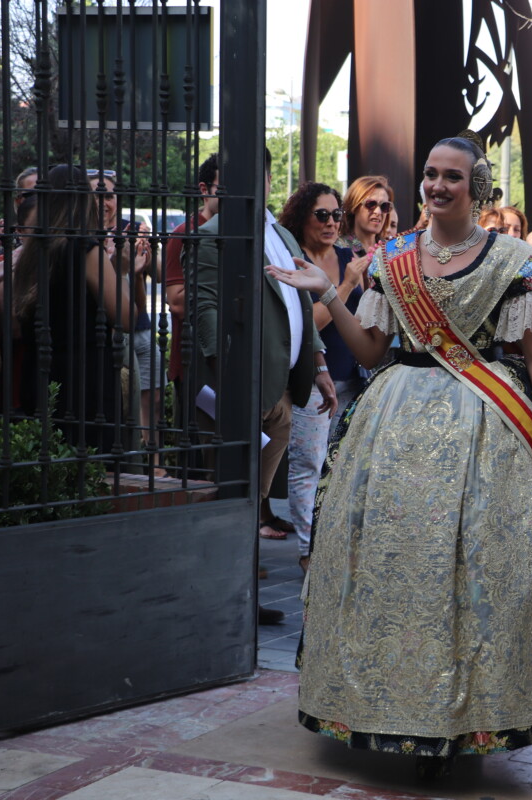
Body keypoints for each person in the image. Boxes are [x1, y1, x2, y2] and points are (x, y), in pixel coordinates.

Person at [268, 132, 532, 775]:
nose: (437, 185)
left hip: (490, 425)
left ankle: (472, 718)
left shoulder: (512, 260)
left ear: (475, 186)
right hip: (395, 427)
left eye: (452, 175)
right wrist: (330, 291)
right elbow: (370, 352)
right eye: (430, 174)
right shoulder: (392, 259)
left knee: (479, 569)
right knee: (394, 571)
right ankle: (392, 708)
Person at [194, 148, 337, 624]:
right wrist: (229, 377)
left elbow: (301, 301)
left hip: (284, 388)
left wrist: (317, 362)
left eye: (263, 173)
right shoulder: (213, 235)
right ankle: (218, 599)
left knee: (253, 499)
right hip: (243, 388)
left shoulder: (278, 233)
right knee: (233, 493)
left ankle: (240, 599)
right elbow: (207, 309)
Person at [13, 165, 139, 455]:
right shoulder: (84, 248)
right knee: (91, 468)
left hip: (40, 370)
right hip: (85, 374)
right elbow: (126, 317)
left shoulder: (34, 249)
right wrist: (119, 272)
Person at [277, 181, 368, 568]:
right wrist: (343, 286)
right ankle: (307, 552)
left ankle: (338, 547)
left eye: (337, 215)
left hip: (354, 377)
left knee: (346, 467)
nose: (331, 223)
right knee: (309, 465)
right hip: (312, 376)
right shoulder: (292, 259)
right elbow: (308, 321)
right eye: (322, 215)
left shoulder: (351, 255)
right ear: (302, 217)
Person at [88, 168, 161, 450]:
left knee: (152, 397)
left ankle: (153, 460)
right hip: (105, 330)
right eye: (96, 195)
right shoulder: (83, 235)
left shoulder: (131, 229)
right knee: (119, 401)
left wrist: (149, 248)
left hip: (140, 327)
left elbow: (160, 275)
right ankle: (127, 455)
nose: (103, 202)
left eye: (108, 195)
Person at [163, 153, 219, 429]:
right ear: (204, 190)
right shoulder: (185, 234)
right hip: (195, 367)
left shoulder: (254, 234)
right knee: (202, 461)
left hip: (238, 362)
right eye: (225, 187)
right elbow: (177, 304)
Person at [337, 175, 393, 257]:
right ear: (354, 206)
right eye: (371, 204)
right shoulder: (337, 249)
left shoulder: (391, 250)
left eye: (384, 206)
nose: (378, 212)